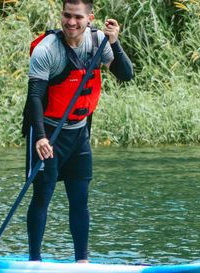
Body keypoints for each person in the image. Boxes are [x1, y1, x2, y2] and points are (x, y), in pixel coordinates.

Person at [21, 0, 134, 263]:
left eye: (78, 17)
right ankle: (34, 261)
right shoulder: (47, 50)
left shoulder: (98, 42)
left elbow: (126, 74)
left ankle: (82, 262)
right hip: (48, 132)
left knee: (79, 198)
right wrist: (39, 137)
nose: (71, 22)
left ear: (89, 18)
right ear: (61, 15)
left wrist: (115, 42)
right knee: (42, 196)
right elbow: (35, 96)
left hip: (79, 134)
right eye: (67, 15)